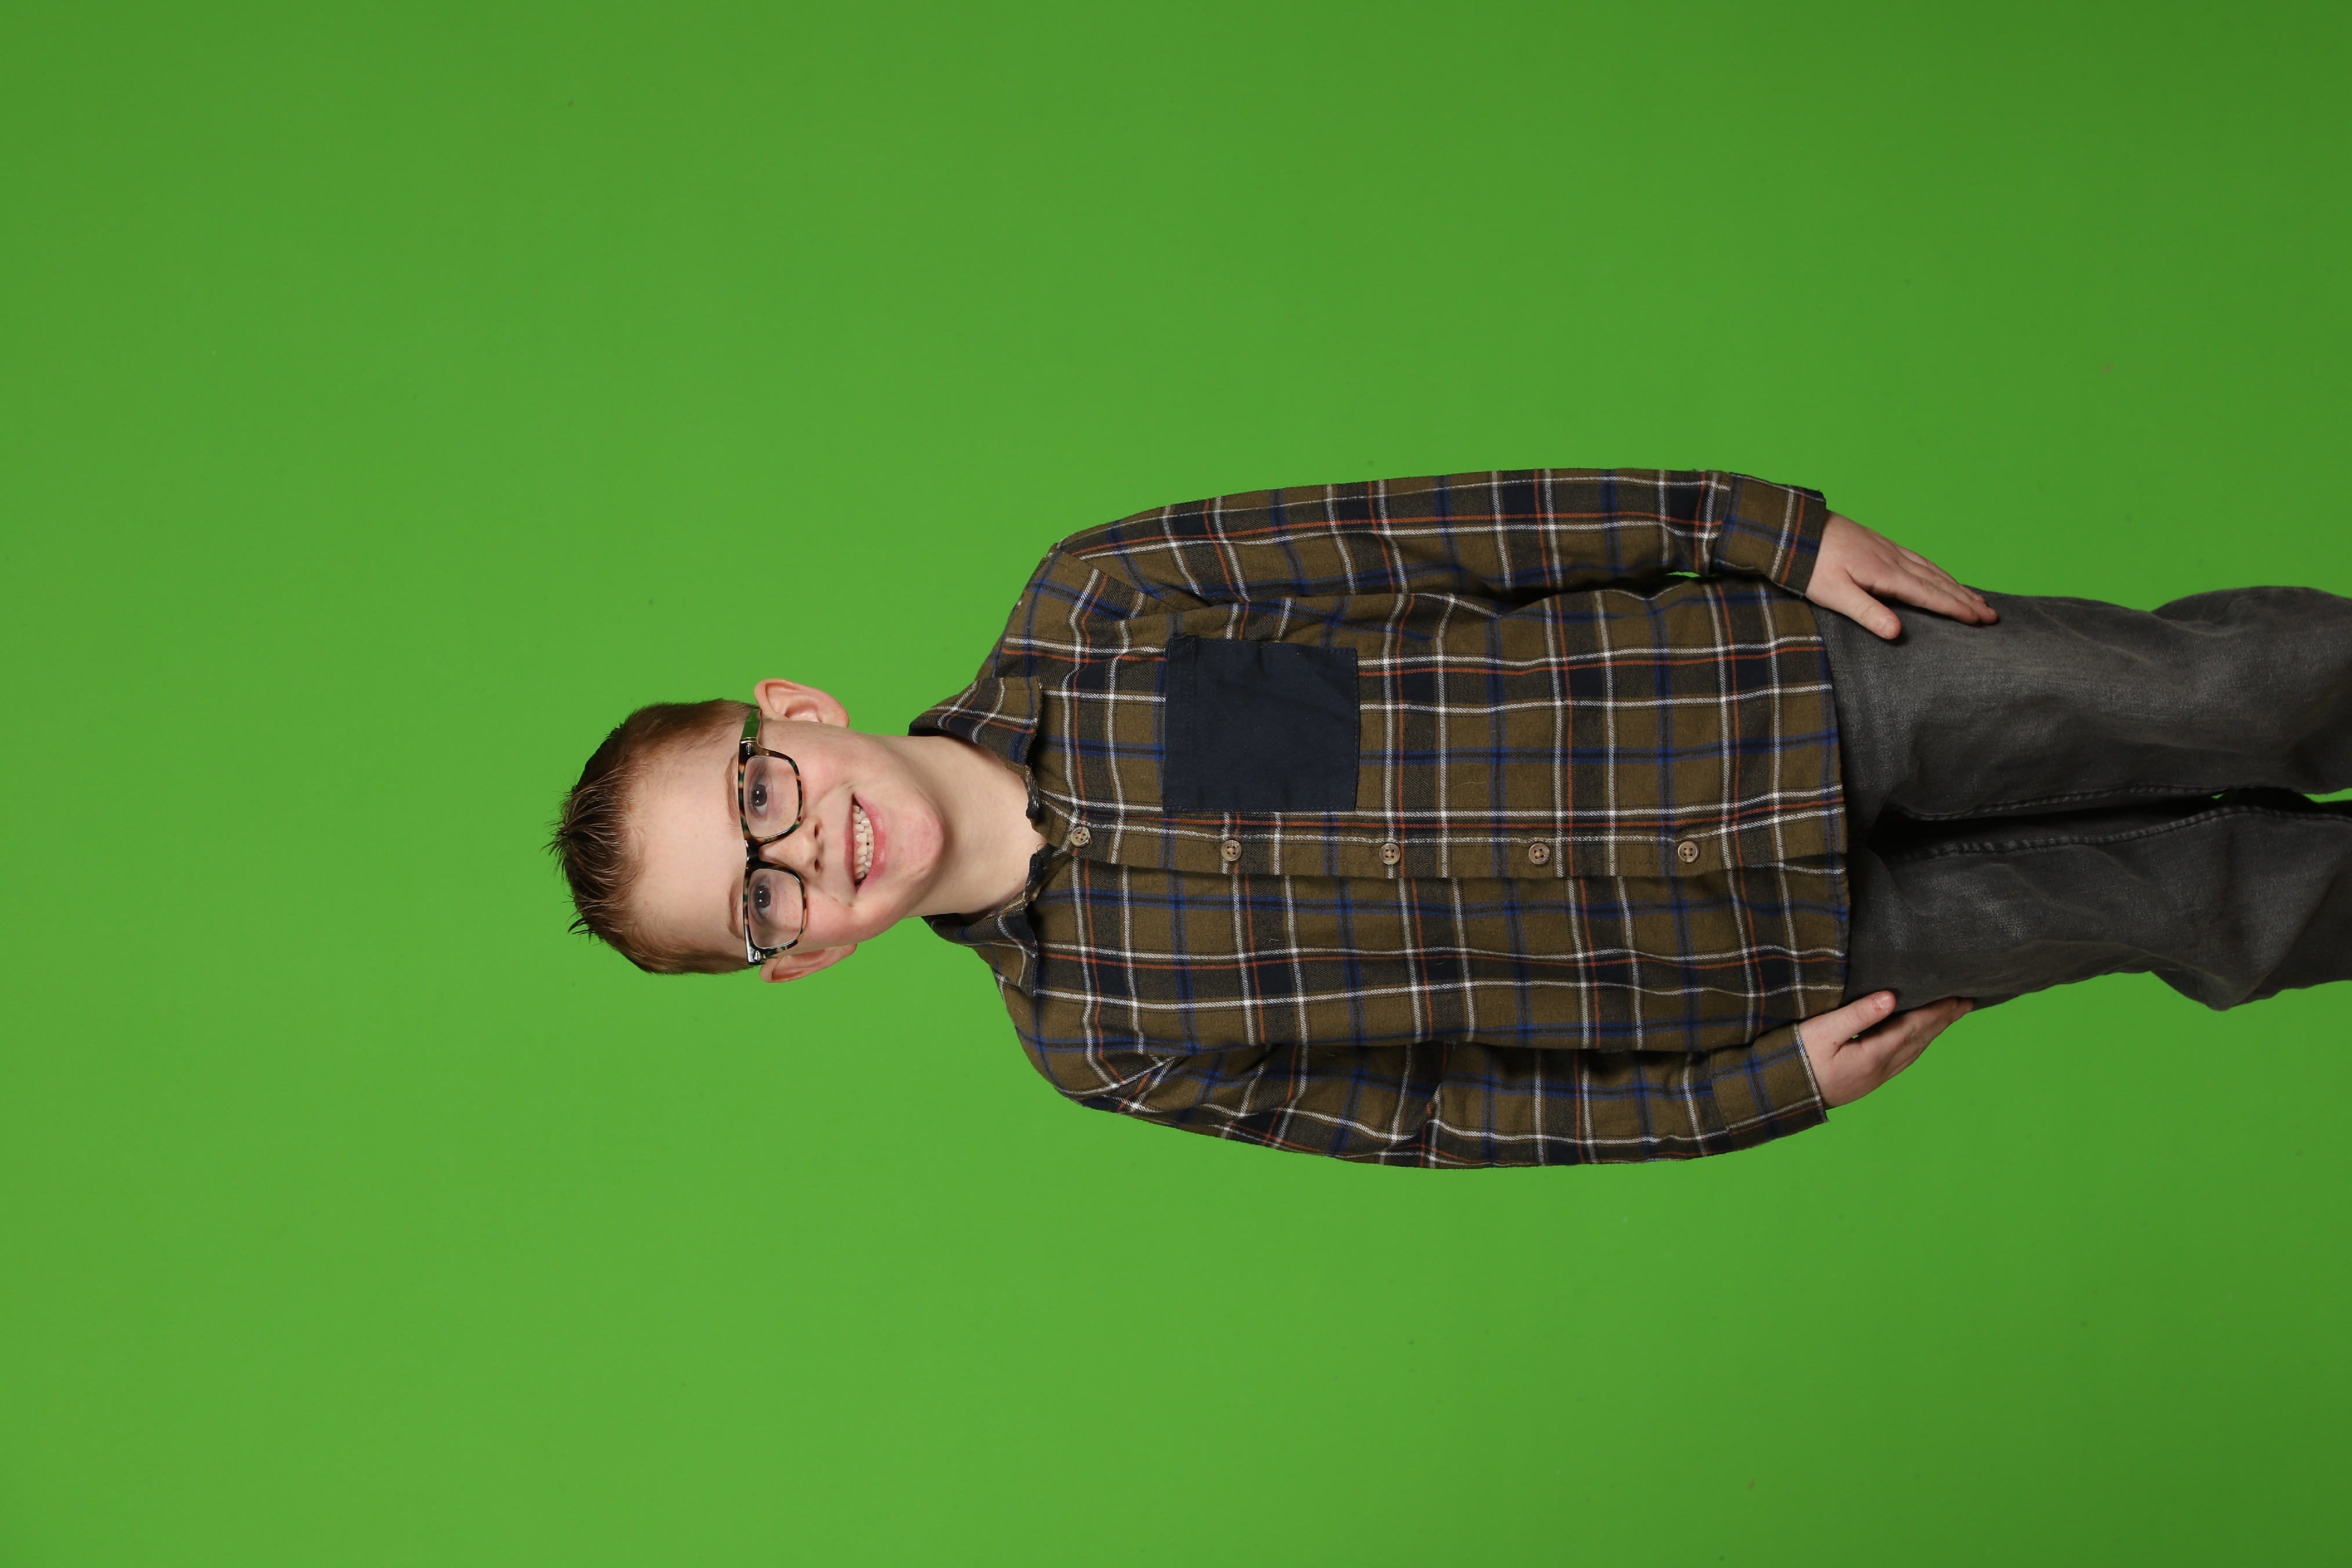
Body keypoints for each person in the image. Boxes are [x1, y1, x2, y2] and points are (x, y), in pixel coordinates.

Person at [549, 470, 2352, 1167]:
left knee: (2219, 694)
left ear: (794, 711)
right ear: (797, 961)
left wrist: (1759, 529)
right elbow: (1441, 1117)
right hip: (1786, 961)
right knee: (2200, 909)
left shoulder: (1099, 605)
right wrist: (1750, 1095)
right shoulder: (1100, 1040)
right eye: (763, 899)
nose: (807, 849)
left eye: (760, 794)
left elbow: (1443, 537)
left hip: (1784, 690)